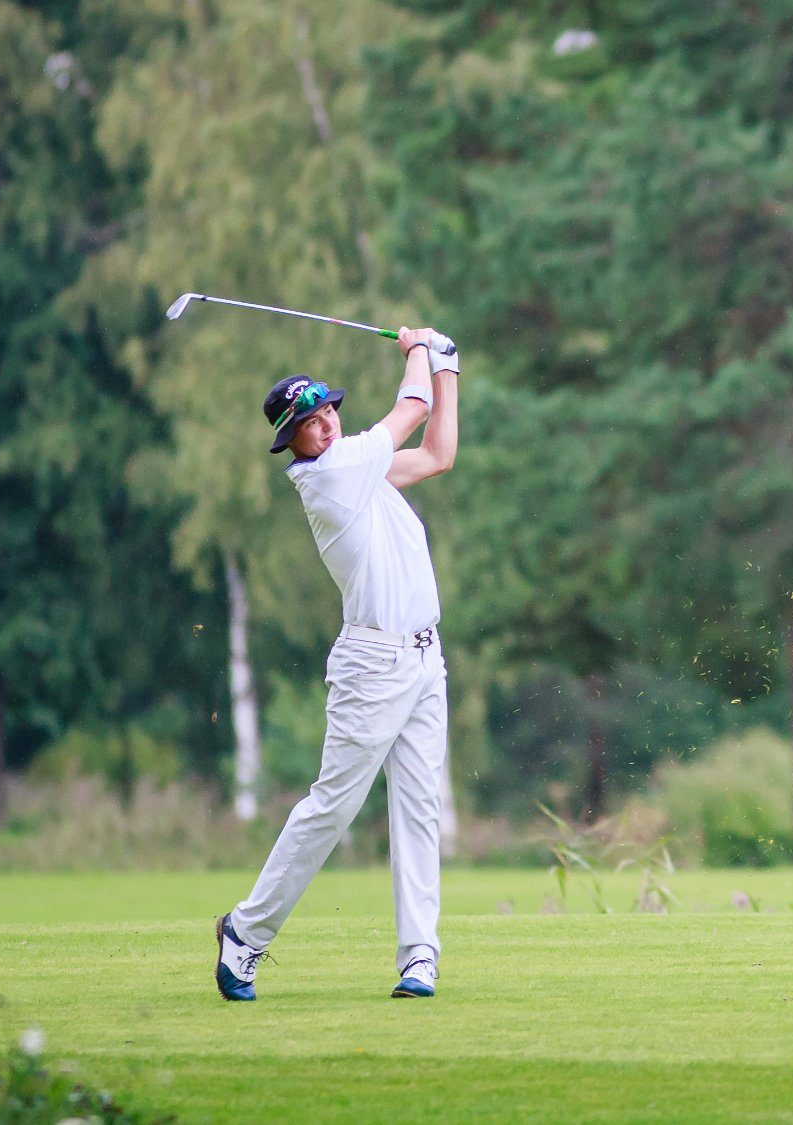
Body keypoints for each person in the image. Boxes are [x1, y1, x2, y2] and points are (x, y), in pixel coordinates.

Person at [216, 326, 460, 1000]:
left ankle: (420, 955)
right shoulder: (329, 475)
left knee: (419, 808)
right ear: (289, 442)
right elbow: (409, 412)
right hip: (372, 665)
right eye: (306, 422)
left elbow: (438, 451)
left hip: (424, 657)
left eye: (327, 412)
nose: (322, 425)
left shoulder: (362, 465)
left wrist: (449, 368)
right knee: (332, 808)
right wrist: (418, 347)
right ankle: (246, 932)